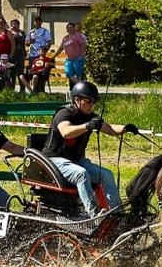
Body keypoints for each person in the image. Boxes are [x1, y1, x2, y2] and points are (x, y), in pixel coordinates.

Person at [42, 81, 137, 217]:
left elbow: (108, 129)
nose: (92, 105)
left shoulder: (90, 117)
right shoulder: (64, 113)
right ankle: (94, 214)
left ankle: (118, 214)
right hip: (54, 160)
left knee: (107, 175)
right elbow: (66, 131)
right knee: (81, 174)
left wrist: (125, 129)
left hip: (76, 160)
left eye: (94, 102)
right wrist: (87, 126)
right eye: (88, 101)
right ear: (77, 99)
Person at [59, 21, 88, 86]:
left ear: (74, 28)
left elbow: (83, 45)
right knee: (68, 73)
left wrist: (81, 55)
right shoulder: (65, 38)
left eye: (71, 27)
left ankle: (79, 91)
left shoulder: (79, 36)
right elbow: (60, 48)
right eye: (68, 27)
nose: (69, 29)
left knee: (79, 75)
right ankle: (81, 86)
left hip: (78, 58)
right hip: (69, 59)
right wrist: (54, 56)